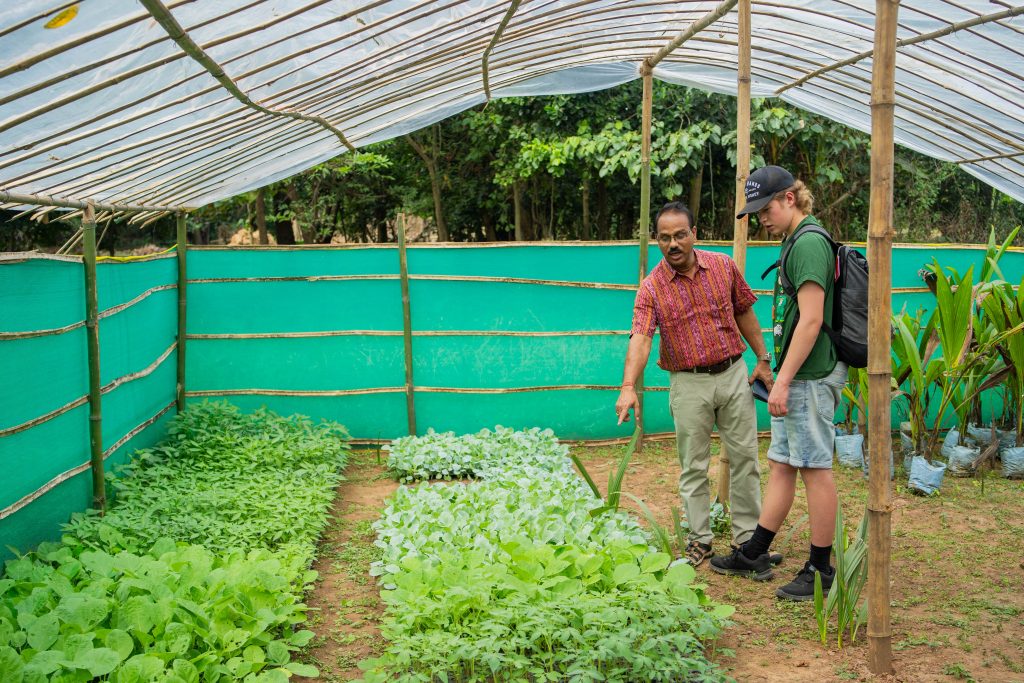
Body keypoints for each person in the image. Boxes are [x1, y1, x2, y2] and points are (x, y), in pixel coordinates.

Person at [710, 165, 848, 601]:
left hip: (809, 375)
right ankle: (755, 551)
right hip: (796, 374)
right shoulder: (795, 239)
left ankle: (820, 569)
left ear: (790, 198)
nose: (762, 219)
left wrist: (784, 380)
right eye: (756, 213)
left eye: (765, 209)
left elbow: (811, 320)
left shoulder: (808, 243)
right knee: (783, 464)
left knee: (814, 468)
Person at [616, 201, 775, 567]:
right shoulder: (651, 288)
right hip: (688, 384)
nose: (673, 244)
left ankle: (748, 542)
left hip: (733, 374)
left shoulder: (722, 266)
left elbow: (744, 311)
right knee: (693, 466)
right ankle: (700, 540)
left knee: (746, 459)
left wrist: (763, 359)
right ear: (657, 240)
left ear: (694, 234)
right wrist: (627, 386)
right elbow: (641, 337)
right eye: (664, 238)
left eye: (680, 235)